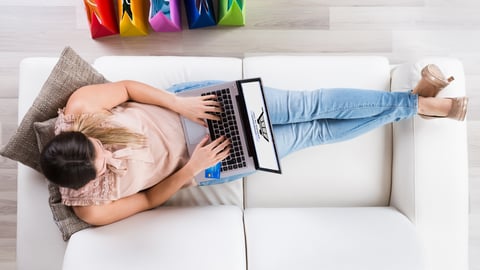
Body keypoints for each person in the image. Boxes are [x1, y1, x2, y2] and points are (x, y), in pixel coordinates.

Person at [39, 64, 468, 226]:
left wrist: (179, 104)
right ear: (83, 183)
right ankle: (419, 102)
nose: (111, 157)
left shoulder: (80, 107)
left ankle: (416, 102)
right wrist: (190, 170)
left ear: (79, 136)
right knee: (311, 132)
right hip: (205, 161)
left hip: (194, 107)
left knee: (307, 105)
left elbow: (130, 86)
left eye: (101, 147)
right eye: (105, 166)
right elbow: (150, 199)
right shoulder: (92, 208)